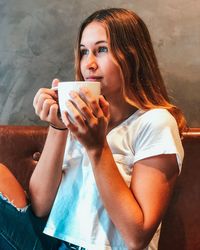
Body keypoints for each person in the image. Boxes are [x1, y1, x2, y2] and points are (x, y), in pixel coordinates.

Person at [0, 8, 186, 250]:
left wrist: (97, 149)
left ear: (132, 56)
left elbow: (136, 237)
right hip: (54, 243)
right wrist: (58, 126)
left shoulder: (155, 122)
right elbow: (40, 207)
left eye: (101, 50)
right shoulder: (81, 119)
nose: (88, 63)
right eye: (83, 52)